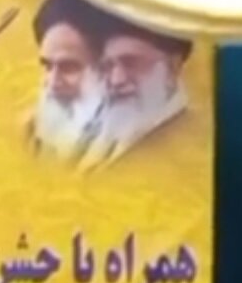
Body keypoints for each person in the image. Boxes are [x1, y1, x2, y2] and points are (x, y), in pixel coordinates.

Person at [78, 14, 194, 171]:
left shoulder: (189, 145)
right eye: (107, 67)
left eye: (131, 63)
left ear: (173, 67)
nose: (116, 80)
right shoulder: (97, 135)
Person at [26, 0, 108, 161]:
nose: (52, 83)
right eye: (47, 66)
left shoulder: (139, 151)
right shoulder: (29, 129)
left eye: (69, 67)